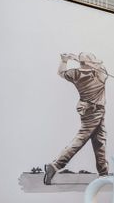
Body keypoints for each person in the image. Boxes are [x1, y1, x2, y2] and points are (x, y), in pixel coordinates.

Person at [44, 52, 109, 184]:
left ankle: (103, 173)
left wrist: (65, 60)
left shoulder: (75, 74)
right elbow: (102, 68)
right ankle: (55, 165)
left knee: (99, 140)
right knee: (81, 139)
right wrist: (84, 61)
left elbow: (61, 72)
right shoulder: (100, 74)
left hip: (87, 110)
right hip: (95, 111)